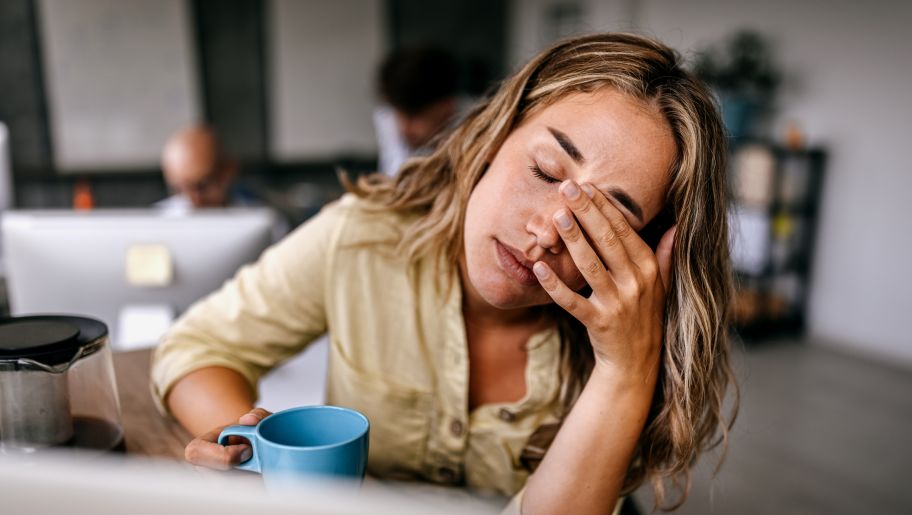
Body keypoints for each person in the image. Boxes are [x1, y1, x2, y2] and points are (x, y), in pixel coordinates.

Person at [152, 33, 736, 515]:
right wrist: (259, 456)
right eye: (543, 169)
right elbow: (196, 346)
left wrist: (625, 371)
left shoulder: (626, 347)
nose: (546, 232)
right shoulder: (364, 237)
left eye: (603, 221)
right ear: (494, 135)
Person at [373, 46, 461, 176]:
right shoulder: (387, 116)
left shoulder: (474, 126)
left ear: (447, 106)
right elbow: (395, 179)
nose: (405, 129)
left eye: (414, 116)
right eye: (399, 115)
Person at [157, 125, 256, 213]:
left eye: (202, 186)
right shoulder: (157, 220)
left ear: (229, 171)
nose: (193, 201)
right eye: (180, 189)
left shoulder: (257, 214)